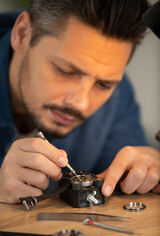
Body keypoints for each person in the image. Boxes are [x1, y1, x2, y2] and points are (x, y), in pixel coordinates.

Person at [0, 0, 159, 204]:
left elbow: (132, 185)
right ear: (22, 34)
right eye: (66, 71)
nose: (81, 104)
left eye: (103, 84)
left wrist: (148, 169)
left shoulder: (118, 91)